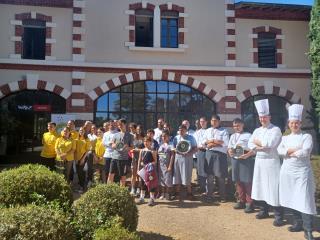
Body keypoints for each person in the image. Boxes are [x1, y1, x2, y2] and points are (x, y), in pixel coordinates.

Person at [277, 104, 316, 240]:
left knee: (305, 200)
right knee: (292, 197)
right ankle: (298, 223)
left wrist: (288, 152)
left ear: (300, 123)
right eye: (292, 123)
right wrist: (292, 151)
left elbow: (305, 152)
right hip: (287, 172)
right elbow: (279, 151)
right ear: (289, 124)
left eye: (297, 123)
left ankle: (309, 230)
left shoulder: (307, 137)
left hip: (302, 172)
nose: (294, 125)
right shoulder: (285, 138)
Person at [248, 99, 284, 226]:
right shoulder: (257, 130)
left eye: (265, 116)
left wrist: (258, 144)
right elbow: (249, 143)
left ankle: (279, 215)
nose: (263, 119)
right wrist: (261, 146)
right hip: (259, 161)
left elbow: (270, 144)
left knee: (273, 188)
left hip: (271, 163)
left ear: (269, 117)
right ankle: (264, 210)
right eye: (261, 117)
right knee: (261, 186)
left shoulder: (276, 129)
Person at [227, 118, 255, 213]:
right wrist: (230, 151)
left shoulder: (248, 135)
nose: (236, 127)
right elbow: (230, 147)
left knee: (247, 181)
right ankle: (241, 200)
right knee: (238, 180)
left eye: (238, 125)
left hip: (245, 159)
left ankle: (249, 203)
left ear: (243, 125)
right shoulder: (232, 136)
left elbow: (253, 149)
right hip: (235, 159)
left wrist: (247, 155)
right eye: (234, 126)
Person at [203, 114, 229, 202]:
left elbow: (225, 143)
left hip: (220, 155)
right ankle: (209, 195)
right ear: (210, 121)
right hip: (209, 154)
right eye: (212, 120)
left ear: (219, 121)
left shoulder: (224, 131)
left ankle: (222, 196)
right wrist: (214, 142)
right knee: (209, 176)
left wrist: (212, 142)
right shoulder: (207, 131)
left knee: (221, 176)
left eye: (215, 121)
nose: (214, 122)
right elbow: (204, 143)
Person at [173, 125, 197, 201]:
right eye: (180, 130)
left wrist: (189, 153)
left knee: (187, 175)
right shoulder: (176, 138)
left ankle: (189, 194)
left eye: (182, 130)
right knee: (177, 175)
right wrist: (176, 150)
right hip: (178, 158)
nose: (181, 131)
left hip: (187, 158)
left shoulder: (191, 138)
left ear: (186, 130)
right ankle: (177, 194)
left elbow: (195, 148)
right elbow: (173, 148)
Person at [108, 119, 133, 186]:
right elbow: (112, 145)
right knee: (111, 174)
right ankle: (108, 191)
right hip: (114, 157)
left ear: (125, 125)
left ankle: (121, 192)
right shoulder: (115, 135)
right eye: (119, 125)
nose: (120, 126)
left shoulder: (130, 135)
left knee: (123, 176)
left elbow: (132, 147)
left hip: (123, 159)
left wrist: (127, 148)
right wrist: (116, 145)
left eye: (121, 125)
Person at [137, 137, 158, 206]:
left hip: (150, 171)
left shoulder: (153, 151)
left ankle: (152, 199)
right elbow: (139, 160)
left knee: (150, 184)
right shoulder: (142, 150)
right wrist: (138, 169)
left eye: (147, 141)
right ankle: (142, 198)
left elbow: (155, 161)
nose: (145, 143)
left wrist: (149, 164)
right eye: (144, 141)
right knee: (142, 184)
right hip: (143, 170)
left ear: (150, 142)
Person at [158, 130, 175, 200]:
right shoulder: (160, 145)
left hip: (168, 165)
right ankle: (163, 194)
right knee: (161, 179)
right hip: (161, 165)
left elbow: (172, 155)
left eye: (165, 136)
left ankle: (167, 194)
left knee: (168, 179)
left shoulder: (171, 145)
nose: (164, 137)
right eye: (162, 136)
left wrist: (170, 166)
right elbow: (159, 154)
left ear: (168, 137)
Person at [74, 126, 91, 192]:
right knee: (78, 173)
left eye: (82, 131)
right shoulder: (77, 139)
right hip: (76, 158)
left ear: (85, 132)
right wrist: (75, 159)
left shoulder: (86, 139)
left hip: (83, 158)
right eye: (80, 130)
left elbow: (87, 150)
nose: (81, 132)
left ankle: (82, 187)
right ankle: (81, 186)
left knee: (81, 173)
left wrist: (83, 159)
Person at [194, 117, 208, 194]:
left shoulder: (209, 131)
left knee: (208, 170)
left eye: (203, 121)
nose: (202, 123)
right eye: (200, 122)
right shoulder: (197, 133)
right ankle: (202, 187)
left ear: (206, 122)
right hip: (200, 152)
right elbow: (196, 143)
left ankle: (208, 189)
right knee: (200, 170)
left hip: (208, 151)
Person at [130, 124, 144, 196]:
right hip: (134, 158)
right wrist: (132, 153)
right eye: (137, 129)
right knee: (133, 174)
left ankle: (139, 188)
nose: (138, 131)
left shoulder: (144, 139)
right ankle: (133, 188)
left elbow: (145, 149)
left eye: (140, 129)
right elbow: (131, 148)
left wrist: (137, 150)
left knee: (140, 174)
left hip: (141, 159)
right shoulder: (133, 138)